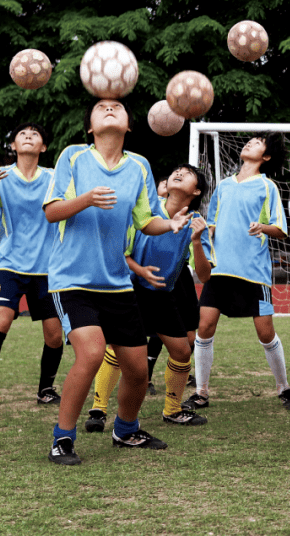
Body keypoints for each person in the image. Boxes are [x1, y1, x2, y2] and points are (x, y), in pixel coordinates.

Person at [43, 99, 189, 465]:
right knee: (91, 354)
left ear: (128, 126)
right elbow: (51, 211)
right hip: (73, 280)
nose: (110, 109)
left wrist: (169, 225)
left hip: (117, 284)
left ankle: (126, 430)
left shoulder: (138, 166)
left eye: (118, 107)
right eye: (100, 107)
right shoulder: (73, 157)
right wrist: (86, 199)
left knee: (138, 370)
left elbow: (146, 221)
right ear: (91, 127)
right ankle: (62, 439)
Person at [84, 165, 213, 432]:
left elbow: (204, 274)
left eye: (187, 174)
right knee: (118, 351)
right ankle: (98, 409)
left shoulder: (196, 222)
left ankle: (173, 410)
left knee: (181, 351)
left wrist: (197, 241)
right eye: (176, 170)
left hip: (163, 294)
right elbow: (123, 253)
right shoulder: (144, 213)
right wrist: (141, 270)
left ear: (197, 190)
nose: (178, 173)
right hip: (131, 289)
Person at [189, 133, 290, 411]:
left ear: (267, 156)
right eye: (248, 141)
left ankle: (283, 387)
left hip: (253, 272)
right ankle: (201, 391)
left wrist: (263, 227)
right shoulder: (224, 186)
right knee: (205, 326)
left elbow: (280, 229)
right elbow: (211, 222)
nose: (249, 143)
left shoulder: (267, 186)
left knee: (265, 333)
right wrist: (204, 235)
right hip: (220, 269)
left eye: (258, 142)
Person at [0, 123, 62, 413]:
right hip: (11, 265)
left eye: (35, 134)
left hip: (48, 269)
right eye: (22, 134)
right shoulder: (1, 179)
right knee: (0, 321)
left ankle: (46, 390)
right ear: (13, 146)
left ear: (43, 147)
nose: (28, 136)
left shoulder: (54, 178)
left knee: (54, 335)